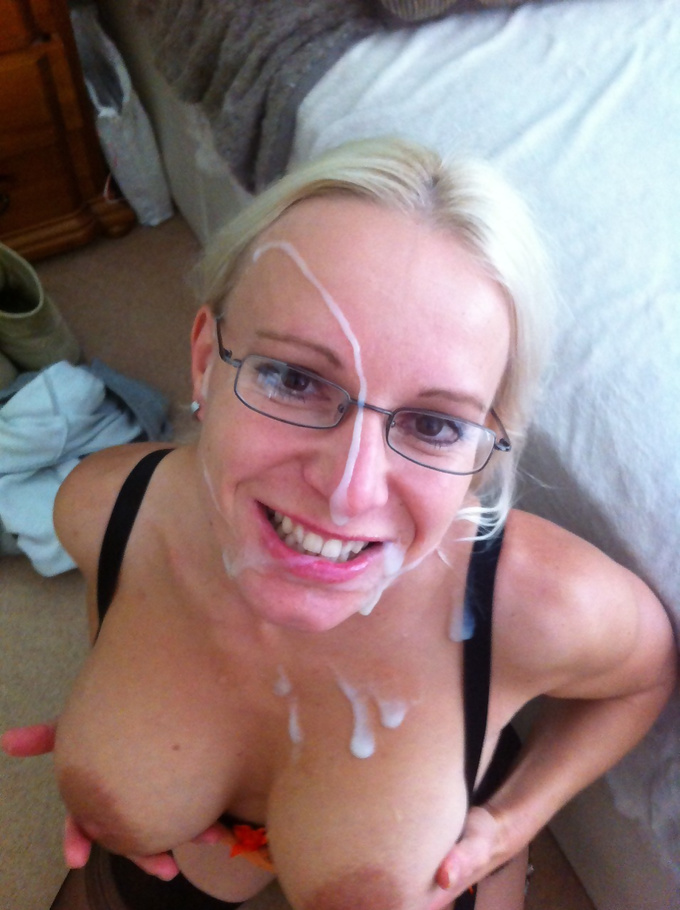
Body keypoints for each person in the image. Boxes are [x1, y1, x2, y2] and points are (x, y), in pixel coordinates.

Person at [3, 137, 676, 910]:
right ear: (204, 361)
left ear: (483, 448)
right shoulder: (100, 509)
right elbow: (114, 625)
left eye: (434, 424)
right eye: (294, 379)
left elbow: (644, 675)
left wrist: (512, 821)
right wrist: (122, 731)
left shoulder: (540, 603)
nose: (350, 494)